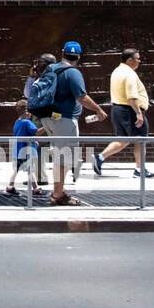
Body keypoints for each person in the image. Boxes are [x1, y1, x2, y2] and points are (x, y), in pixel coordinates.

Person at [41, 41, 110, 206]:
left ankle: (58, 190)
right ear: (78, 56)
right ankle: (58, 194)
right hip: (64, 120)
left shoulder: (50, 69)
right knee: (64, 157)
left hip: (49, 118)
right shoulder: (73, 73)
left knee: (60, 156)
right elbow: (82, 97)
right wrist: (99, 110)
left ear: (63, 52)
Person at [95, 47, 154, 178]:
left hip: (118, 109)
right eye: (137, 59)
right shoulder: (129, 74)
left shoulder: (117, 71)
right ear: (129, 60)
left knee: (123, 139)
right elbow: (131, 97)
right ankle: (140, 169)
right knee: (141, 139)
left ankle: (99, 158)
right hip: (130, 110)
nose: (139, 61)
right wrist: (139, 114)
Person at [22, 53, 57, 187]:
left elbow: (29, 94)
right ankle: (38, 176)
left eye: (40, 63)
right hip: (42, 114)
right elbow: (27, 94)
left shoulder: (51, 77)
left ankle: (41, 177)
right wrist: (32, 77)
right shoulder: (43, 77)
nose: (37, 66)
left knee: (40, 145)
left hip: (47, 114)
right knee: (39, 145)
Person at [5, 107, 46, 195]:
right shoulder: (27, 122)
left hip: (18, 148)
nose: (30, 114)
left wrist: (33, 140)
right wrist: (47, 126)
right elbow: (36, 132)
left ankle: (10, 186)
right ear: (25, 112)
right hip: (26, 149)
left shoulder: (17, 122)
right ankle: (36, 189)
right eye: (29, 112)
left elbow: (22, 134)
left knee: (17, 169)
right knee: (30, 168)